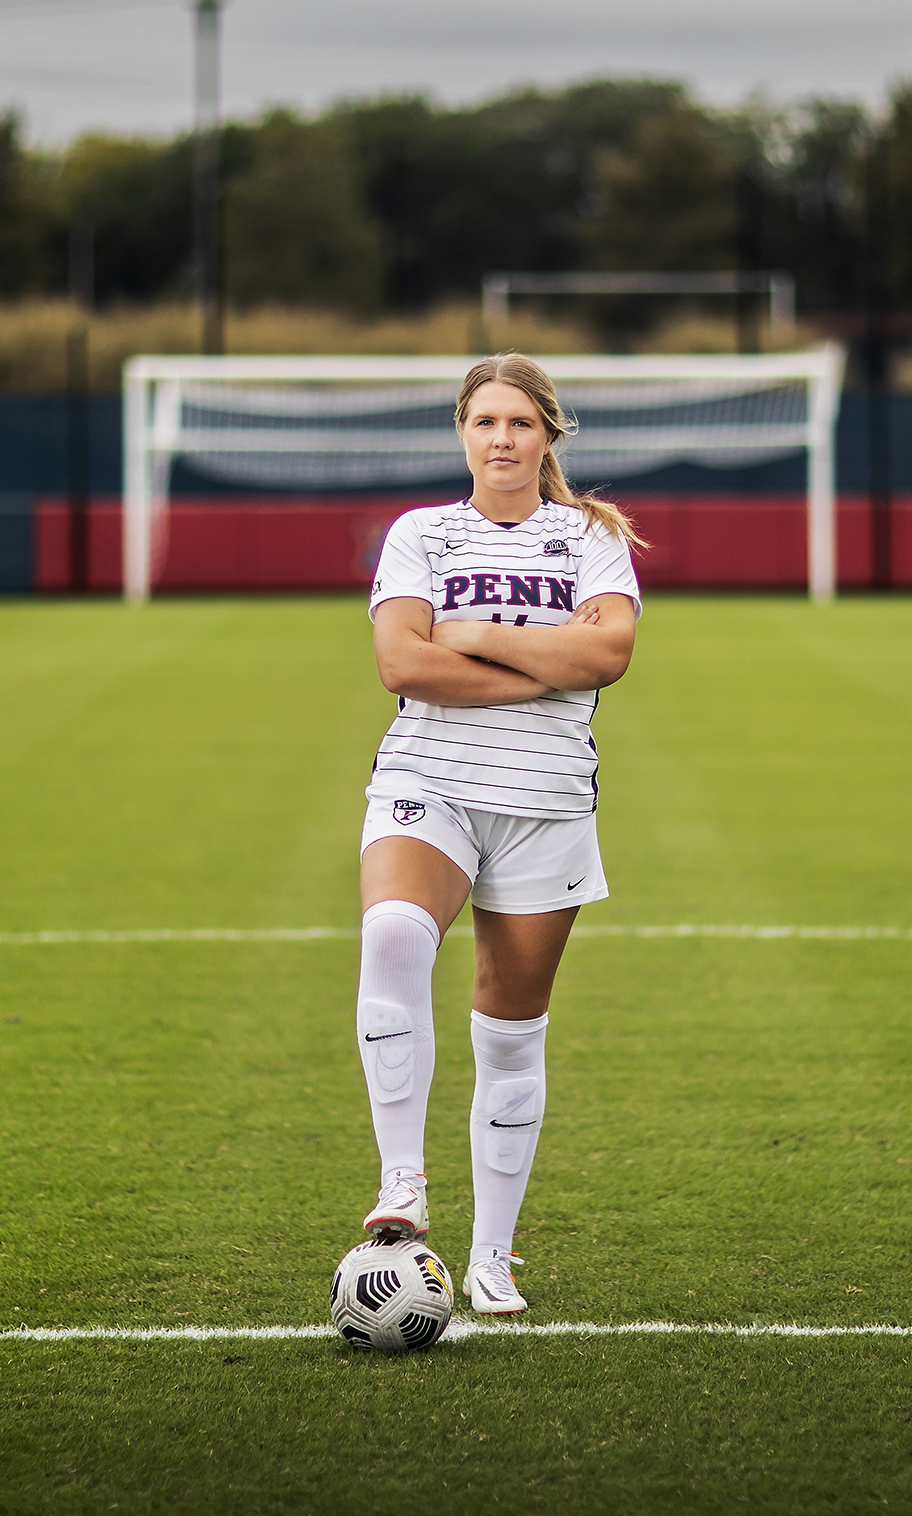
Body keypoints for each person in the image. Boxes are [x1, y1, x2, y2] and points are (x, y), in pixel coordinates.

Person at [353, 353, 645, 1317]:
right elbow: (402, 661)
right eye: (485, 422)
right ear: (462, 433)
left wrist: (472, 637)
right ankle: (403, 1184)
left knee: (509, 1034)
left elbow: (608, 652)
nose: (502, 439)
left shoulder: (592, 537)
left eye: (520, 423)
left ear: (548, 436)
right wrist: (543, 665)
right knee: (394, 932)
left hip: (546, 801)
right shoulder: (421, 535)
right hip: (427, 779)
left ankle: (491, 1256)